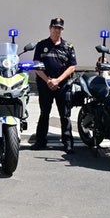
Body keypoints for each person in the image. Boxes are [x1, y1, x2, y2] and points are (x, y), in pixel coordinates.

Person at [31, 17, 77, 154]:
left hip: (62, 85)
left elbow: (72, 67)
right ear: (50, 28)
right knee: (44, 113)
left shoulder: (68, 47)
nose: (57, 30)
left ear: (62, 30)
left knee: (64, 115)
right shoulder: (41, 45)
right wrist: (48, 80)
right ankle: (40, 141)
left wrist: (57, 80)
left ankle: (68, 143)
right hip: (45, 84)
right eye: (55, 27)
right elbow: (36, 65)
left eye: (59, 28)